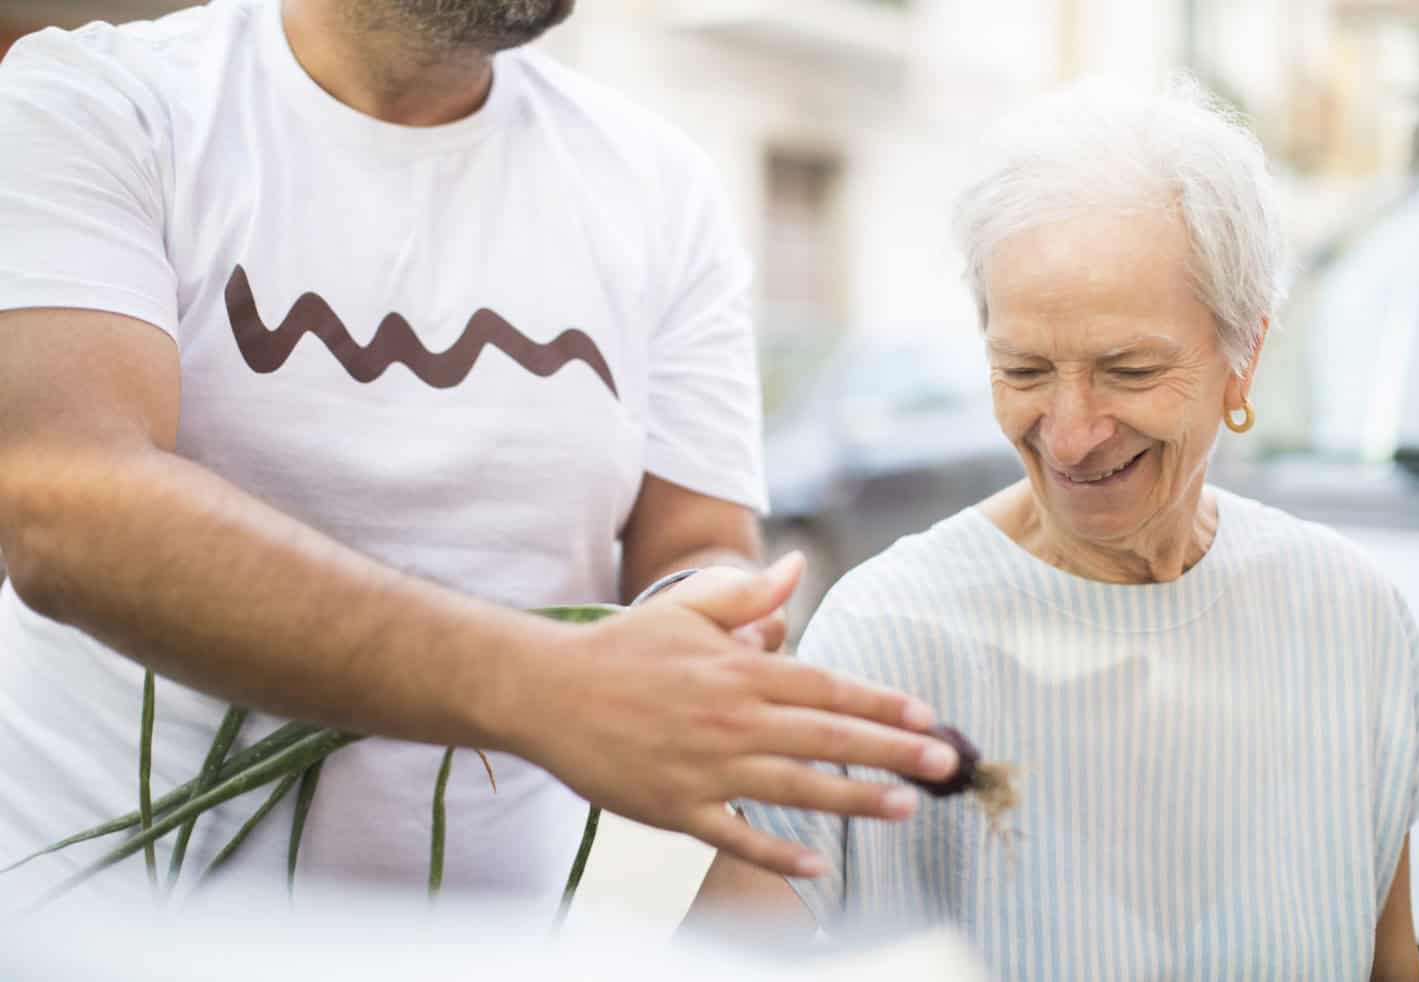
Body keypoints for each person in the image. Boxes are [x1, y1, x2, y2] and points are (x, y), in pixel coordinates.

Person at [0, 0, 962, 906]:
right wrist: (545, 686)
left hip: (491, 936)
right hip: (112, 926)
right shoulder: (102, 105)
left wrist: (698, 628)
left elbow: (697, 540)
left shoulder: (659, 186)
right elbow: (68, 505)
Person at [684, 77, 1419, 980]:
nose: (1070, 430)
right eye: (1023, 368)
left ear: (1244, 354)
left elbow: (1387, 962)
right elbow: (720, 961)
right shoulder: (888, 634)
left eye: (1128, 370)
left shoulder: (1348, 615)